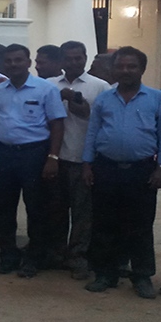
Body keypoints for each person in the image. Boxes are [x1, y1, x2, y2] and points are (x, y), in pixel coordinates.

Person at [83, 46, 161, 299]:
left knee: (141, 225)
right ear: (113, 69)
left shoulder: (158, 99)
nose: (125, 70)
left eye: (131, 66)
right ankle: (105, 274)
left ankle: (142, 276)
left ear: (142, 69)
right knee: (104, 223)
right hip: (106, 168)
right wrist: (87, 164)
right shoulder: (104, 99)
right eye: (120, 66)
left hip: (142, 170)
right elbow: (93, 132)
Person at [0, 44, 66, 277]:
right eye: (9, 61)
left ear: (28, 62)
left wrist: (53, 157)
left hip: (34, 154)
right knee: (3, 207)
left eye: (18, 60)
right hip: (3, 153)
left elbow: (57, 124)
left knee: (36, 208)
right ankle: (8, 256)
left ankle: (33, 259)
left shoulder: (46, 89)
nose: (13, 64)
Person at [50, 41, 111, 279]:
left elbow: (101, 121)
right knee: (55, 211)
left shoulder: (100, 86)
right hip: (55, 158)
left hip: (83, 159)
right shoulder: (49, 85)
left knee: (83, 214)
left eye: (78, 58)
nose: (74, 62)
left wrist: (75, 103)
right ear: (61, 61)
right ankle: (56, 253)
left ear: (85, 58)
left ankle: (78, 256)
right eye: (69, 58)